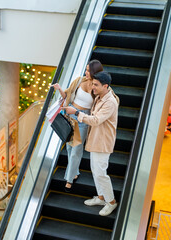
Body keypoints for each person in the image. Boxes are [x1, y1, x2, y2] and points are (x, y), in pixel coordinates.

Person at [62, 71, 119, 216]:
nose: (92, 87)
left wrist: (76, 113)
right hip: (95, 139)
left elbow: (96, 120)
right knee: (95, 170)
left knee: (101, 174)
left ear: (105, 86)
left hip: (103, 142)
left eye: (96, 85)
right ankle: (101, 198)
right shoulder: (100, 96)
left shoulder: (110, 102)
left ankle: (111, 202)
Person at [51, 60, 103, 192]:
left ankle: (69, 180)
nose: (86, 72)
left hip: (83, 119)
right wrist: (59, 89)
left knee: (76, 151)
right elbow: (67, 95)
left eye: (88, 71)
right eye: (85, 70)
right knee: (69, 148)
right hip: (70, 115)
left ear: (95, 73)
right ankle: (74, 172)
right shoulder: (79, 80)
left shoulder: (96, 87)